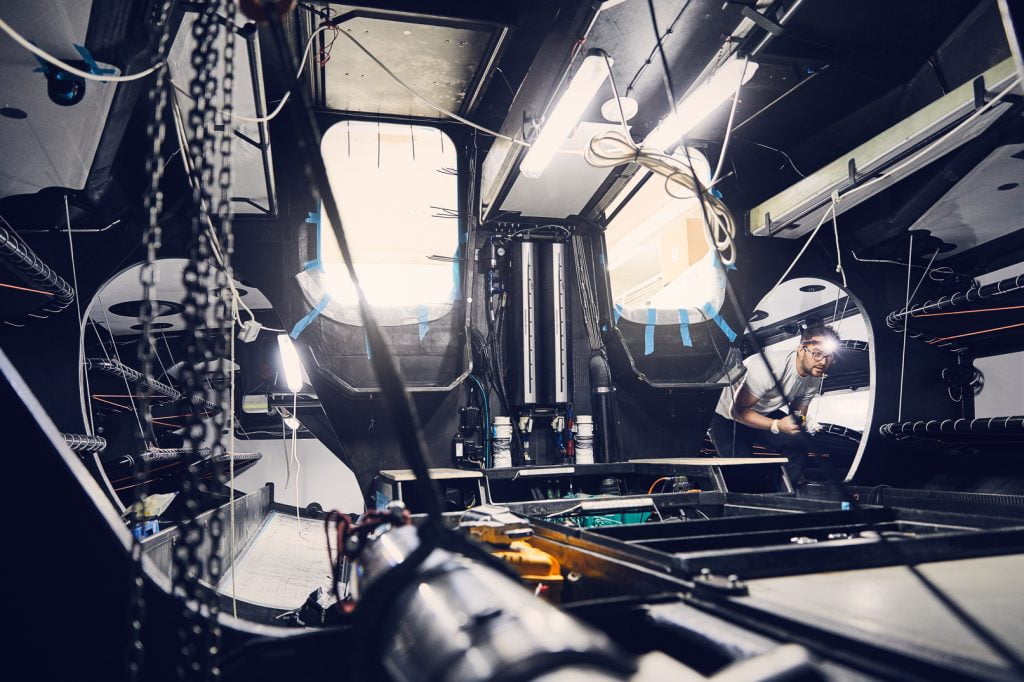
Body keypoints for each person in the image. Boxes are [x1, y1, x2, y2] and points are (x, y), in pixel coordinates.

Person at [708, 325, 840, 485]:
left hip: (762, 412)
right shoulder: (770, 368)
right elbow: (738, 411)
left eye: (829, 356)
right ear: (801, 349)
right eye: (817, 354)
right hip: (727, 416)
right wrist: (777, 425)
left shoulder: (814, 378)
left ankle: (782, 492)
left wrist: (801, 422)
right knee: (742, 472)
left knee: (800, 443)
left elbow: (799, 413)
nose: (823, 362)